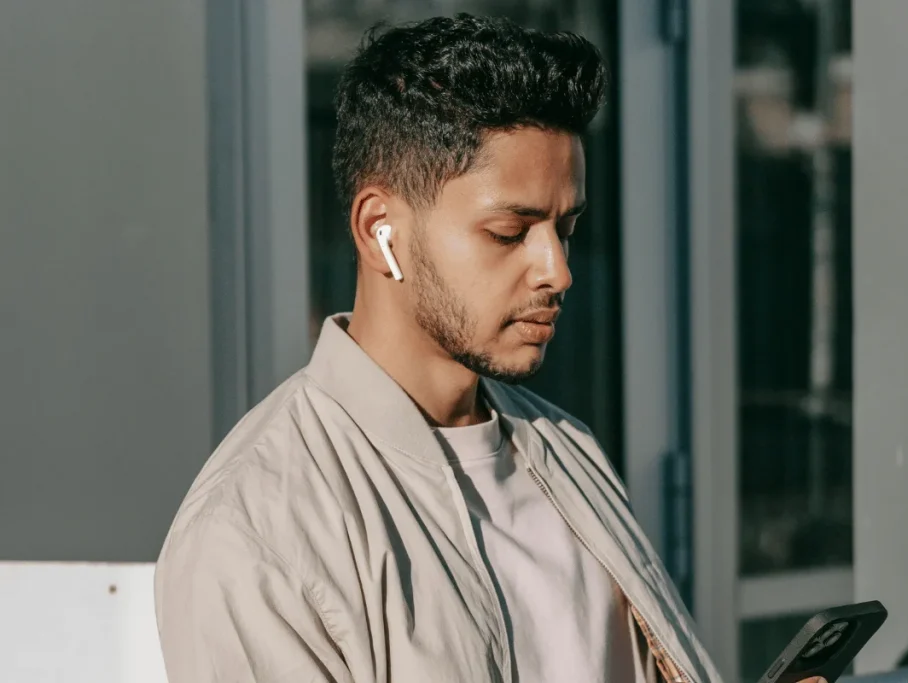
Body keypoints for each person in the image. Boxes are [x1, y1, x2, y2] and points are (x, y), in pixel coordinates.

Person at [155, 14, 824, 683]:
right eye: (510, 231)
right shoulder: (259, 528)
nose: (557, 271)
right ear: (379, 231)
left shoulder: (564, 449)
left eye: (566, 228)